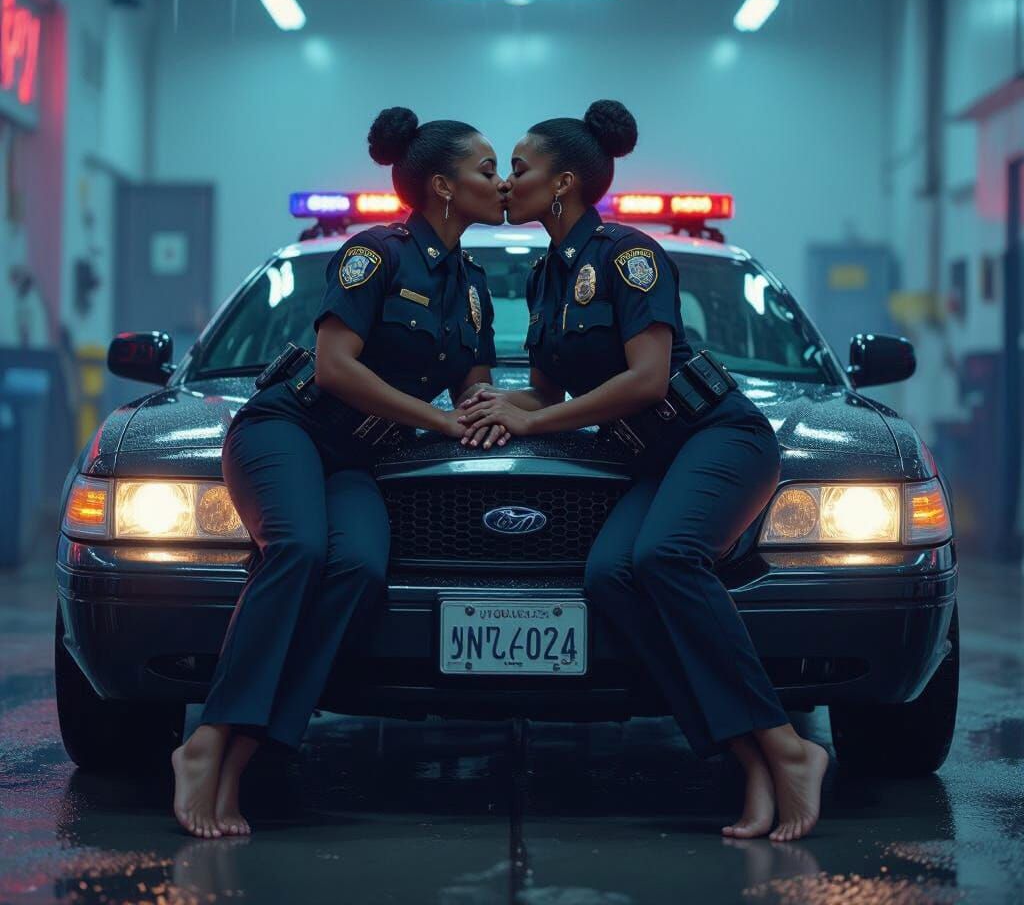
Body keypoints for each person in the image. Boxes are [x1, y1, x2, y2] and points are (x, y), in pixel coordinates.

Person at [458, 100, 829, 842]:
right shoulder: (546, 279)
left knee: (665, 556)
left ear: (563, 184)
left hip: (716, 437)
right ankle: (747, 759)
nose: (506, 184)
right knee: (611, 577)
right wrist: (491, 406)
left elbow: (646, 380)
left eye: (520, 170)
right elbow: (548, 393)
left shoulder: (631, 257)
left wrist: (529, 420)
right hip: (651, 459)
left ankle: (788, 745)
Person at [172, 107, 509, 838]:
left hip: (356, 458)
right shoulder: (373, 254)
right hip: (287, 431)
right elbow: (334, 366)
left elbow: (473, 394)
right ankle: (207, 741)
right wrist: (443, 421)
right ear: (445, 187)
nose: (503, 181)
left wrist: (532, 411)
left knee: (356, 566)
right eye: (489, 169)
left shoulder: (474, 287)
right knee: (298, 548)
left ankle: (251, 753)